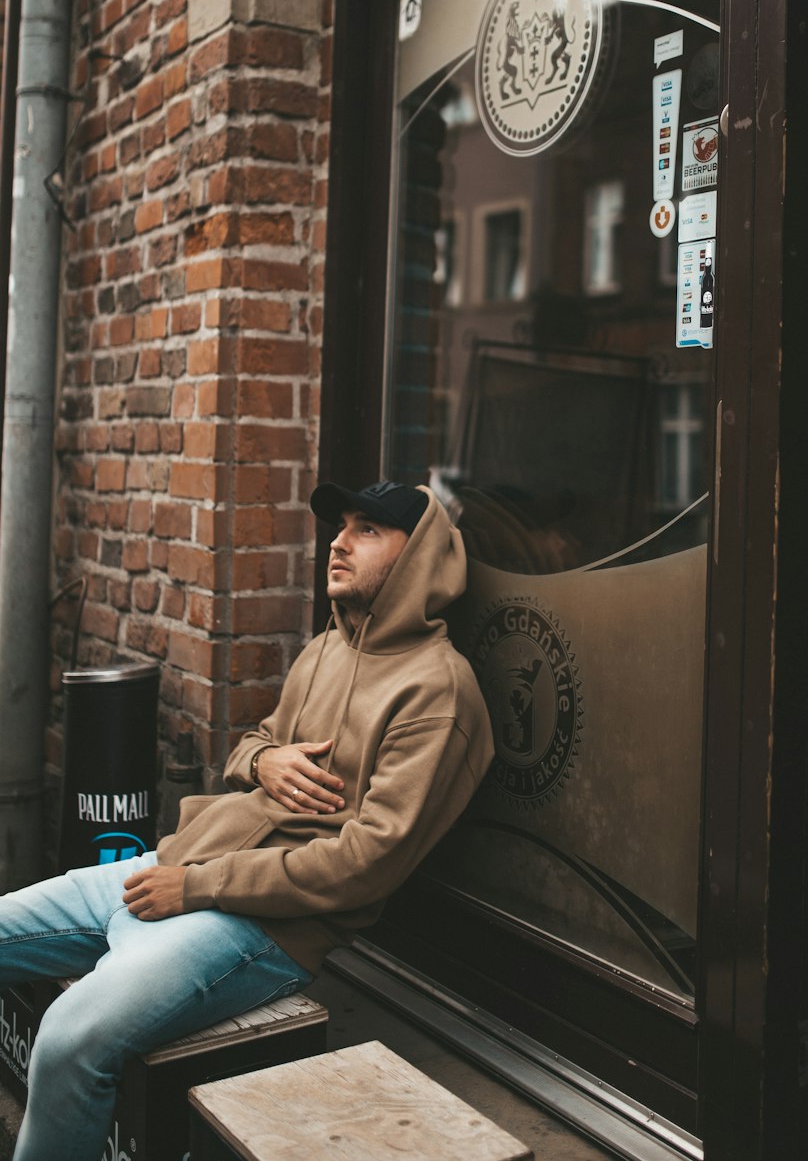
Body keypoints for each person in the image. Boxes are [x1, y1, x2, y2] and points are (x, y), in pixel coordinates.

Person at [0, 479, 494, 1161]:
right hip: (176, 866)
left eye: (367, 530)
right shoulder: (327, 648)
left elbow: (365, 866)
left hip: (257, 927)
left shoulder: (439, 692)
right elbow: (249, 745)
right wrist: (263, 763)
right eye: (340, 526)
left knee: (66, 1040)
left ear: (419, 556)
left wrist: (199, 887)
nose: (339, 543)